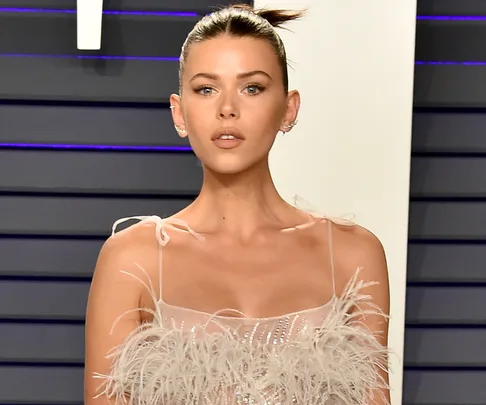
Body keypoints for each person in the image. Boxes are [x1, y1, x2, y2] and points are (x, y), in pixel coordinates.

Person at [84, 4, 391, 405]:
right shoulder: (132, 259)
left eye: (252, 88)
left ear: (289, 108)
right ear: (179, 112)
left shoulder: (354, 256)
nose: (227, 108)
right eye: (206, 89)